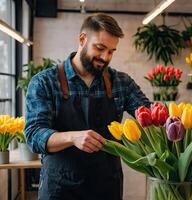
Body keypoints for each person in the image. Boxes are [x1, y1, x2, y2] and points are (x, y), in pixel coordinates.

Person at [25, 13, 150, 200]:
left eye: (111, 51)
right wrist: (73, 137)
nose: (105, 57)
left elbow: (150, 115)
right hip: (59, 189)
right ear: (82, 39)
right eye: (100, 48)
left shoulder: (121, 83)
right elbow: (34, 135)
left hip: (106, 187)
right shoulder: (44, 82)